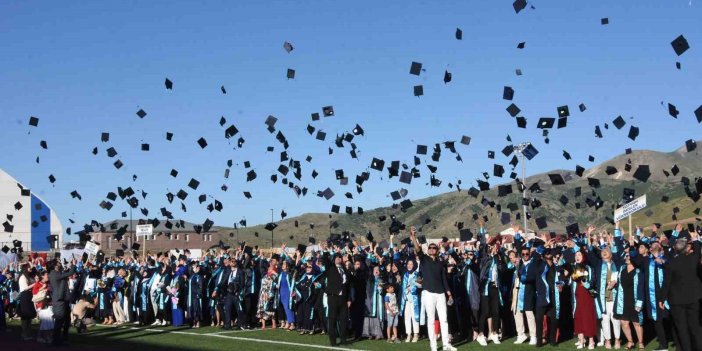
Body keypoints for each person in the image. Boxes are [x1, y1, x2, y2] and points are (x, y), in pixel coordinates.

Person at [410, 225, 457, 351]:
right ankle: (433, 346)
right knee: (431, 320)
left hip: (441, 293)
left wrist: (449, 294)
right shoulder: (424, 259)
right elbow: (418, 248)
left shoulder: (440, 263)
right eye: (430, 248)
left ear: (436, 250)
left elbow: (444, 280)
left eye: (434, 248)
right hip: (428, 293)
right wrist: (414, 237)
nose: (431, 249)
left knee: (444, 320)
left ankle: (446, 344)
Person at [661, 225, 702, 351]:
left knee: (682, 329)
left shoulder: (670, 263)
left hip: (677, 301)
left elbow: (666, 283)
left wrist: (661, 299)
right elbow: (697, 248)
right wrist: (694, 238)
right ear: (687, 248)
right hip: (694, 298)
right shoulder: (694, 258)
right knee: (695, 328)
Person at [320, 245, 351, 347]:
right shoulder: (330, 268)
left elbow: (348, 285)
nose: (338, 258)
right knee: (332, 319)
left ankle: (343, 339)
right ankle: (333, 341)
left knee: (343, 320)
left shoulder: (344, 270)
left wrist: (349, 298)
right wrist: (325, 250)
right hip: (333, 297)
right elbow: (325, 260)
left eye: (340, 257)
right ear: (334, 260)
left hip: (343, 299)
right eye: (336, 257)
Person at [48, 258, 75, 347]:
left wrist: (69, 266)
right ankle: (55, 341)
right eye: (59, 262)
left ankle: (64, 338)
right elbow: (69, 273)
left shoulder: (58, 273)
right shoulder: (53, 274)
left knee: (67, 320)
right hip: (59, 300)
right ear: (55, 265)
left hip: (64, 299)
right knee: (59, 320)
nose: (60, 263)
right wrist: (73, 265)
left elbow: (65, 273)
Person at [400, 259, 421, 342]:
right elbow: (403, 287)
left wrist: (411, 288)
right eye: (408, 264)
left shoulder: (417, 274)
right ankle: (409, 334)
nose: (409, 265)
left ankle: (416, 334)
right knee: (407, 317)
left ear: (414, 265)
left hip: (414, 299)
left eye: (411, 264)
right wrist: (406, 290)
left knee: (414, 316)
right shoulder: (405, 275)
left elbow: (420, 285)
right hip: (406, 299)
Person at [362, 266, 384, 339]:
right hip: (369, 300)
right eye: (375, 269)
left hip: (378, 300)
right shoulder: (369, 279)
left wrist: (380, 288)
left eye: (378, 269)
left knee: (377, 315)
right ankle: (368, 333)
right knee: (369, 316)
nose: (376, 271)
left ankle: (378, 333)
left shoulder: (381, 279)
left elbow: (382, 291)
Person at [18, 263, 36, 341]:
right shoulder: (22, 277)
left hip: (29, 296)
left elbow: (34, 269)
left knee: (29, 316)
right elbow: (25, 288)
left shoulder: (28, 276)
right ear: (25, 268)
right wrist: (34, 284)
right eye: (29, 267)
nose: (30, 269)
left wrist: (31, 264)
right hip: (25, 296)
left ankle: (28, 332)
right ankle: (24, 333)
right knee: (25, 316)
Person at [187, 261, 203, 328]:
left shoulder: (198, 276)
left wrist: (199, 293)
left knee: (197, 308)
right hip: (191, 295)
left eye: (195, 267)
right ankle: (193, 321)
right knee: (192, 309)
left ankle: (198, 322)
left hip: (195, 295)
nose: (193, 268)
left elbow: (200, 286)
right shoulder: (192, 276)